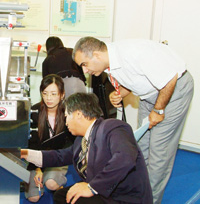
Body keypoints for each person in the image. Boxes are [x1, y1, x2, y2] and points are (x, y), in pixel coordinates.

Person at [72, 37, 194, 203]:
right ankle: (134, 195)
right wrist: (121, 92)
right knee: (139, 146)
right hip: (149, 94)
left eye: (85, 64)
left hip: (173, 91)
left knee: (159, 153)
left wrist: (158, 110)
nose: (85, 71)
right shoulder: (109, 62)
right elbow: (136, 77)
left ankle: (149, 200)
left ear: (96, 55)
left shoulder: (133, 53)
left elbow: (170, 78)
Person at [21, 93, 152, 204]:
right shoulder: (81, 140)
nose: (65, 123)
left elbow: (125, 157)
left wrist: (92, 187)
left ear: (78, 114)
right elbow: (59, 156)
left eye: (67, 116)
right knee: (61, 196)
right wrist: (25, 153)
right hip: (104, 193)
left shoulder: (113, 127)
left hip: (123, 197)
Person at [25, 74, 75, 202]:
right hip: (36, 159)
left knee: (51, 183)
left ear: (62, 94)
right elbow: (31, 143)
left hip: (57, 159)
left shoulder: (68, 112)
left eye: (53, 94)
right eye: (45, 93)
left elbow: (69, 143)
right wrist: (38, 170)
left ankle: (59, 188)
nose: (49, 98)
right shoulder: (34, 111)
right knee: (33, 197)